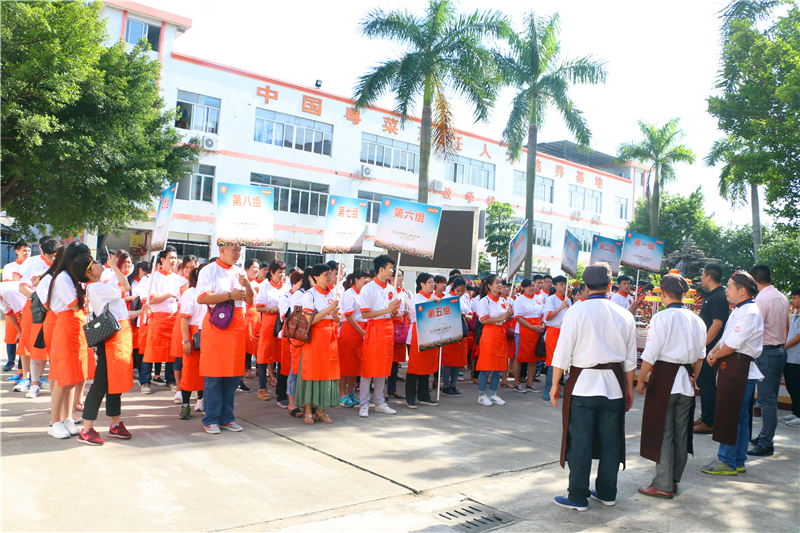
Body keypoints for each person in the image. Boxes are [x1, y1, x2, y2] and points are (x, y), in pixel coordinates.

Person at [549, 262, 636, 511]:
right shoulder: (625, 314)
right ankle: (608, 492)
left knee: (580, 442)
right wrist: (628, 389)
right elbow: (629, 361)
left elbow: (562, 352)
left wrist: (555, 384)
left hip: (583, 385)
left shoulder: (577, 311)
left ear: (585, 287)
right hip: (614, 386)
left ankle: (578, 496)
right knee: (611, 441)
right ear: (611, 285)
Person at [635, 274, 706, 498]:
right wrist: (695, 378)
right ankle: (673, 480)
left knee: (664, 432)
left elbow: (651, 354)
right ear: (684, 295)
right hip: (686, 381)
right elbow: (700, 357)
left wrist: (640, 379)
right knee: (681, 433)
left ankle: (662, 484)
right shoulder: (697, 319)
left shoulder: (661, 318)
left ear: (663, 294)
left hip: (665, 379)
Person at [701, 271, 764, 475]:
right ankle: (737, 459)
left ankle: (727, 460)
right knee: (739, 416)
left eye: (729, 286)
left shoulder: (750, 311)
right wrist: (713, 351)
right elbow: (726, 337)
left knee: (730, 414)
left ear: (742, 290)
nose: (726, 290)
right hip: (735, 366)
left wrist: (717, 354)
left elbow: (734, 343)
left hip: (739, 367)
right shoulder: (741, 309)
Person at [72, 254, 134, 445]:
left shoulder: (99, 284)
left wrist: (113, 268)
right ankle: (87, 428)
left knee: (115, 383)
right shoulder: (96, 287)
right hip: (111, 340)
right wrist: (115, 267)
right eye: (96, 264)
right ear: (88, 272)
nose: (101, 265)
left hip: (119, 336)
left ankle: (115, 424)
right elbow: (126, 286)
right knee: (101, 383)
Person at [196, 247, 254, 433]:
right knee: (214, 375)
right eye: (234, 249)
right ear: (222, 249)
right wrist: (230, 296)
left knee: (233, 376)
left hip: (237, 327)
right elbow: (202, 298)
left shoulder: (240, 271)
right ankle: (211, 419)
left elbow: (250, 301)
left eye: (239, 250)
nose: (237, 253)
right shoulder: (209, 270)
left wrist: (247, 285)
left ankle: (227, 418)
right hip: (217, 327)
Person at [46, 241, 92, 439]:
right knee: (63, 379)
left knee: (73, 378)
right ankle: (54, 421)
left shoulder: (72, 279)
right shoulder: (63, 278)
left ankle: (67, 418)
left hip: (76, 330)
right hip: (65, 329)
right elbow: (74, 305)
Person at [747, 264, 790, 456]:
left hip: (767, 352)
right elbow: (786, 326)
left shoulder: (761, 300)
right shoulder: (782, 297)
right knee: (767, 398)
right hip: (779, 350)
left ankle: (766, 443)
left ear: (753, 281)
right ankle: (765, 435)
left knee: (766, 400)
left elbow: (755, 329)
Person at [295, 263, 340, 424]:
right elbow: (310, 320)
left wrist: (335, 315)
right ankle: (308, 411)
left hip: (330, 339)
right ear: (315, 277)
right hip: (314, 338)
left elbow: (338, 319)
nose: (329, 276)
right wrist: (329, 310)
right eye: (325, 274)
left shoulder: (333, 293)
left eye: (330, 274)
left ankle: (321, 410)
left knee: (326, 373)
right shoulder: (309, 294)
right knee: (311, 372)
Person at [358, 254, 400, 418]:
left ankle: (380, 402)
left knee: (383, 369)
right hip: (374, 330)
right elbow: (366, 315)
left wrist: (394, 312)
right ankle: (364, 404)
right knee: (369, 368)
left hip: (387, 330)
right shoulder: (368, 288)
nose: (392, 271)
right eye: (390, 268)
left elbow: (391, 314)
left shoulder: (391, 289)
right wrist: (387, 310)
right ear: (381, 269)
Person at [695, 263, 729, 435]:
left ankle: (709, 422)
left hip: (711, 349)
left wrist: (703, 345)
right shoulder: (713, 295)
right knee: (703, 382)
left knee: (707, 383)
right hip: (708, 348)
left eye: (703, 274)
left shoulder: (718, 297)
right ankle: (706, 416)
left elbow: (717, 325)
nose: (701, 278)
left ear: (709, 277)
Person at [141, 246, 180, 393]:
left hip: (174, 319)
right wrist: (170, 294)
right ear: (162, 260)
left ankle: (170, 379)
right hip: (158, 319)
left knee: (172, 351)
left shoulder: (178, 279)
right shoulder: (152, 278)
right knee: (151, 351)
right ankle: (145, 381)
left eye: (175, 258)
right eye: (171, 258)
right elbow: (150, 300)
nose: (174, 261)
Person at [476, 275, 514, 407]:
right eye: (497, 283)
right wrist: (501, 317)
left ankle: (492, 393)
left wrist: (509, 314)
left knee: (498, 367)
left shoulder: (502, 300)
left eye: (501, 283)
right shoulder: (484, 301)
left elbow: (504, 317)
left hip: (500, 335)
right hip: (489, 334)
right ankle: (482, 395)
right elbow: (483, 320)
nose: (500, 285)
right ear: (489, 286)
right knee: (486, 366)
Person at [405, 273, 440, 409]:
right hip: (417, 334)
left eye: (433, 282)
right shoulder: (416, 298)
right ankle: (410, 397)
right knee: (415, 367)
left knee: (427, 366)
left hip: (430, 334)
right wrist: (430, 302)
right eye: (430, 282)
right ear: (422, 284)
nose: (433, 284)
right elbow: (416, 312)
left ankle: (424, 395)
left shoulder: (434, 298)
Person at [177, 263, 208, 419]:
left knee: (206, 372)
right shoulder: (190, 293)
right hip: (194, 335)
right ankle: (185, 405)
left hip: (209, 335)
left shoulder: (213, 293)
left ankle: (202, 402)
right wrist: (185, 341)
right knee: (189, 372)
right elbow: (184, 319)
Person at [254, 260, 287, 400]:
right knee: (264, 356)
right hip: (269, 324)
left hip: (283, 325)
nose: (282, 275)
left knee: (282, 355)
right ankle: (262, 387)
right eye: (279, 272)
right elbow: (258, 307)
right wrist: (270, 309)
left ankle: (281, 387)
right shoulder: (265, 287)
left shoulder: (286, 287)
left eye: (283, 272)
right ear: (272, 273)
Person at [338, 269, 370, 407]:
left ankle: (350, 391)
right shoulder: (349, 294)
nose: (367, 281)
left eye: (369, 278)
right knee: (346, 364)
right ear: (355, 280)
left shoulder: (366, 294)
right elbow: (349, 316)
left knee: (356, 365)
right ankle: (342, 393)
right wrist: (361, 331)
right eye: (364, 278)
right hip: (351, 331)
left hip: (363, 330)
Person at [169, 255, 198, 403]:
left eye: (192, 267)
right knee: (180, 356)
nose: (189, 270)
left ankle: (199, 395)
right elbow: (183, 290)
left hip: (197, 322)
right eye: (186, 267)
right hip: (183, 319)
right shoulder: (179, 281)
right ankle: (179, 389)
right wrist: (192, 278)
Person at [513, 279, 545, 394]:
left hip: (537, 331)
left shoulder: (539, 298)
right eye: (530, 286)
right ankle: (517, 383)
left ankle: (530, 383)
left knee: (533, 358)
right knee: (519, 357)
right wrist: (532, 327)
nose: (532, 288)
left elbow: (542, 314)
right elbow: (518, 317)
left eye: (533, 286)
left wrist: (542, 324)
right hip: (523, 331)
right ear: (523, 288)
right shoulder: (519, 299)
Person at [543, 276, 572, 401]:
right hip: (553, 332)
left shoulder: (568, 301)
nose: (564, 287)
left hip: (564, 332)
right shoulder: (551, 299)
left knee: (562, 360)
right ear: (555, 286)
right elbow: (547, 317)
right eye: (561, 284)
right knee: (552, 361)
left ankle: (557, 387)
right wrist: (561, 307)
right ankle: (547, 389)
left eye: (565, 284)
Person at [278, 270, 303, 410]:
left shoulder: (304, 294)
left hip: (299, 332)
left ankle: (293, 395)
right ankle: (281, 395)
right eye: (301, 281)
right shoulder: (286, 297)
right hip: (289, 332)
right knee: (286, 365)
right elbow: (286, 314)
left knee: (296, 366)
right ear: (295, 282)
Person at [441, 277, 471, 397]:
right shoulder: (447, 298)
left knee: (457, 360)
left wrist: (465, 315)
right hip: (449, 331)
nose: (460, 293)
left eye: (462, 291)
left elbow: (469, 313)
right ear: (453, 288)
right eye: (458, 290)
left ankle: (453, 385)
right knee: (448, 360)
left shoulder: (463, 299)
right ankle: (446, 385)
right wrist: (461, 314)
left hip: (461, 330)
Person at [388, 269, 409, 400]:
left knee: (395, 361)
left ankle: (392, 388)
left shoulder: (403, 291)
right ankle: (381, 390)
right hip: (390, 326)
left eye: (402, 276)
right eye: (399, 276)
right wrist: (396, 313)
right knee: (387, 360)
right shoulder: (389, 291)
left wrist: (407, 310)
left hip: (400, 327)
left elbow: (407, 304)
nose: (401, 278)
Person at [783, 289, 800, 427]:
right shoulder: (795, 314)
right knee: (791, 386)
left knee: (797, 387)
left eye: (794, 298)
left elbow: (798, 337)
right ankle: (795, 412)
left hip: (797, 358)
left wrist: (783, 347)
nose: (792, 300)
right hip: (789, 357)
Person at [242, 258, 261, 382]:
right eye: (254, 267)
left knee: (257, 342)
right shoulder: (241, 283)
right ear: (246, 269)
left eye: (258, 268)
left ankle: (259, 367)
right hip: (246, 316)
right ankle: (248, 368)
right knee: (247, 343)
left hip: (257, 316)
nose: (256, 270)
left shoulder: (260, 284)